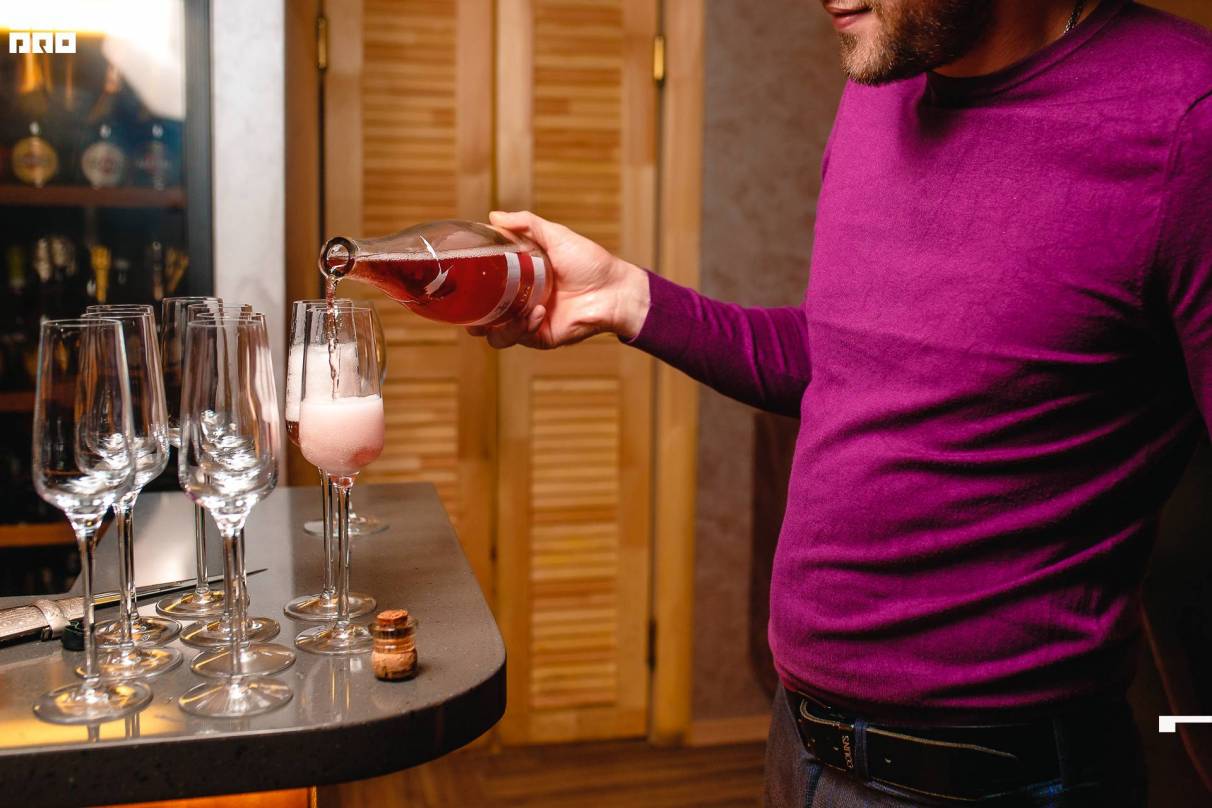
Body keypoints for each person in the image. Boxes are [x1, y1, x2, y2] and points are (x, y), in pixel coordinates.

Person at [474, 0, 1212, 804]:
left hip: (994, 779)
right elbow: (846, 358)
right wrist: (628, 297)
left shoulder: (1187, 120)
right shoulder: (882, 80)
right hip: (800, 748)